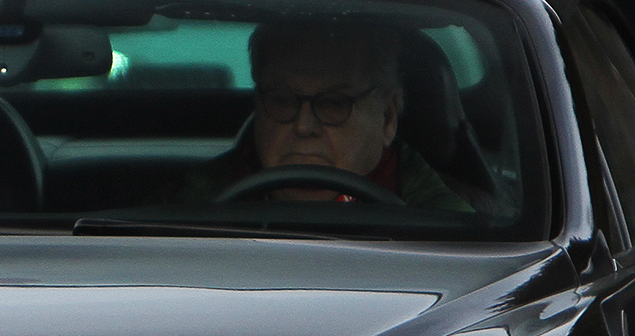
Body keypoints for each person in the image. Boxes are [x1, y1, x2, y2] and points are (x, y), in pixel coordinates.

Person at [175, 18, 470, 210]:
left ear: (388, 117)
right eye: (282, 100)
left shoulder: (455, 230)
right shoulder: (186, 208)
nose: (304, 126)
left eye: (334, 104)